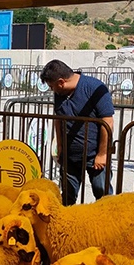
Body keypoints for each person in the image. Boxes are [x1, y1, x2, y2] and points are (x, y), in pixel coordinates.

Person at [39, 59, 114, 206]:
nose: (52, 90)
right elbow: (58, 119)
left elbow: (108, 122)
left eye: (52, 86)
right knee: (67, 196)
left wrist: (102, 154)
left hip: (94, 156)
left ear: (61, 82)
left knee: (103, 195)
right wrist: (60, 147)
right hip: (70, 156)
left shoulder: (95, 88)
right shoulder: (60, 93)